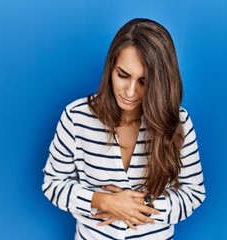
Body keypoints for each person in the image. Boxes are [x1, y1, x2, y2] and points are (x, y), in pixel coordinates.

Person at [42, 18, 206, 240]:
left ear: (160, 83)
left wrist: (143, 206)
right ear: (111, 68)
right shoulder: (76, 117)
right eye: (123, 75)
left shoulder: (178, 122)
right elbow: (53, 185)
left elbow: (193, 193)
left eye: (144, 81)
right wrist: (103, 201)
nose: (130, 92)